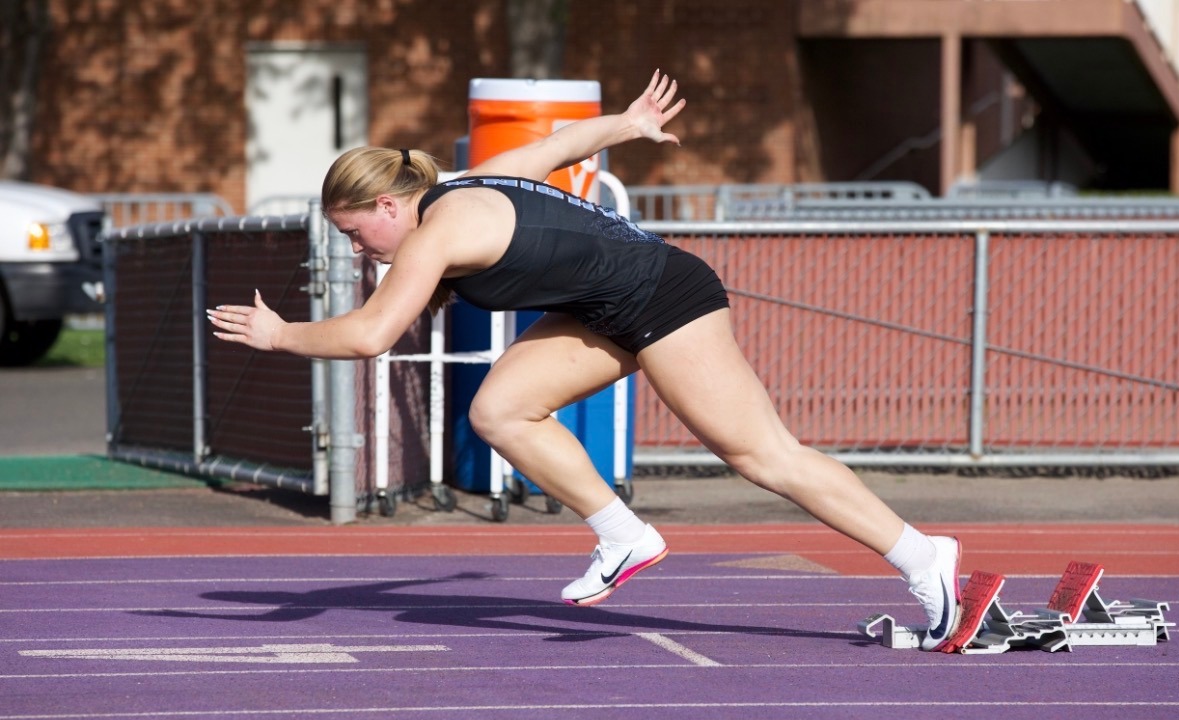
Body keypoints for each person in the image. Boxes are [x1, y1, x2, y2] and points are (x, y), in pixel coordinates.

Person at [207, 70, 963, 651]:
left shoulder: (437, 230)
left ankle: (924, 556)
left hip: (665, 298)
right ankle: (623, 534)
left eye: (353, 232)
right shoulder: (464, 183)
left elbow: (372, 334)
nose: (355, 248)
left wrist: (280, 337)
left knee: (762, 456)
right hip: (605, 311)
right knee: (500, 409)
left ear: (389, 206)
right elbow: (557, 147)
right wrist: (627, 123)